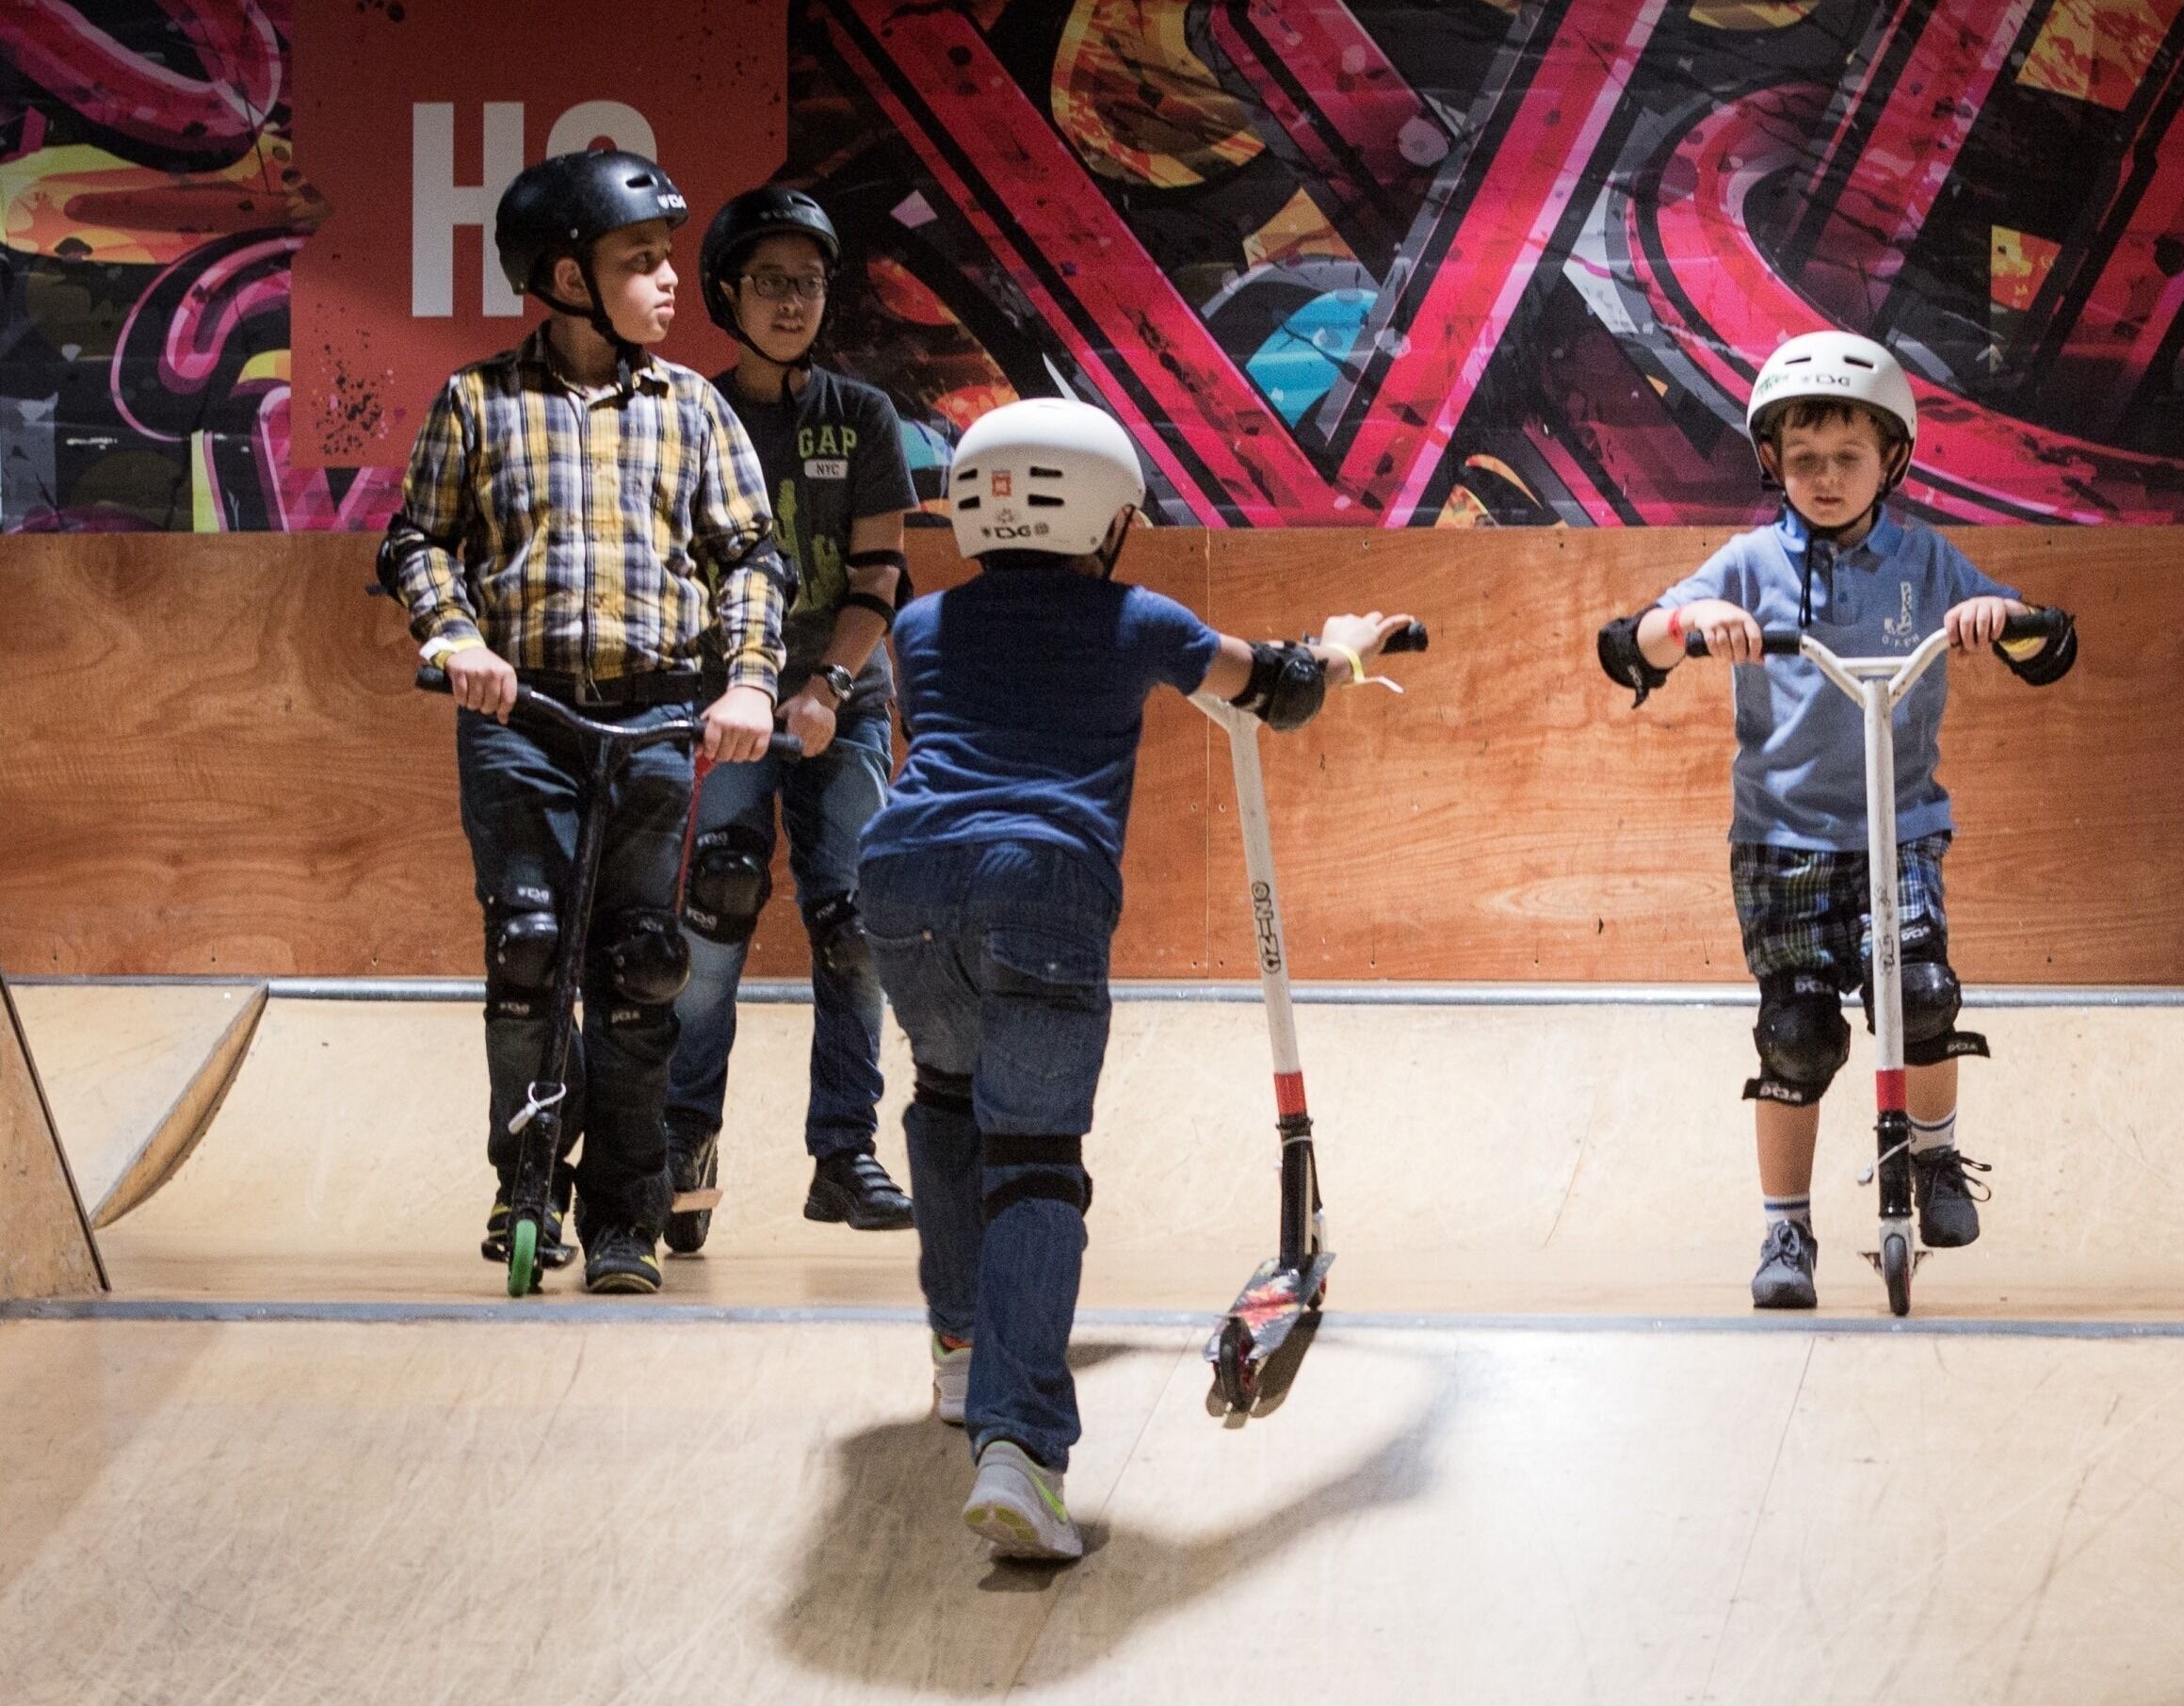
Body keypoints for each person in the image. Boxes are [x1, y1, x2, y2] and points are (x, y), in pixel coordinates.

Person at [862, 397, 1412, 1560]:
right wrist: (1343, 650)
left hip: (902, 883)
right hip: (1042, 887)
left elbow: (958, 731)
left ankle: (962, 1352)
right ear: (1110, 520)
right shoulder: (1136, 617)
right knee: (1033, 1164)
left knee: (946, 1098)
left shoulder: (919, 626)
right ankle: (1019, 1450)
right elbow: (1279, 687)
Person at [1594, 331, 2077, 1312]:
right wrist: (1687, 628)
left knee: (1923, 993)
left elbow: (2043, 643)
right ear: (1770, 461)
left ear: (1889, 460)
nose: (1822, 477)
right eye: (1801, 458)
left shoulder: (1925, 562)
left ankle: (1934, 1160)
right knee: (1798, 1033)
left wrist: (2005, 623)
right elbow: (1628, 643)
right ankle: (1785, 1225)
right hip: (1782, 837)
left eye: (1845, 457)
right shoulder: (1748, 563)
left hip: (1898, 828)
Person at [378, 149, 786, 1294]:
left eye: (666, 260)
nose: (668, 282)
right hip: (527, 719)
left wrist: (749, 679)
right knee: (526, 953)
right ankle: (524, 1186)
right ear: (565, 275)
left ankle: (624, 1212)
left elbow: (750, 555)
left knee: (640, 966)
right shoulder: (476, 402)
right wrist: (454, 639)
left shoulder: (692, 407)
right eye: (639, 261)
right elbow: (416, 540)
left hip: (656, 717)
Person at [660, 187, 919, 1254]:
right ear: (724, 291)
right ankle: (683, 1147)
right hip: (729, 703)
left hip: (840, 703)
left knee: (851, 926)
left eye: (807, 283)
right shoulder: (692, 413)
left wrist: (822, 686)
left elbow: (879, 572)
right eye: (769, 281)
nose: (791, 301)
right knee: (715, 916)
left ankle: (842, 1152)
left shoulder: (860, 417)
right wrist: (746, 691)